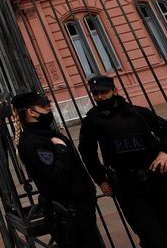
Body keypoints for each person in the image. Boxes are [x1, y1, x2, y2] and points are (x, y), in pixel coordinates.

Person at [78, 75, 167, 248]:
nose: (100, 97)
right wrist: (101, 179)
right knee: (153, 238)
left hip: (160, 180)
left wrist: (166, 153)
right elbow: (88, 154)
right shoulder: (91, 122)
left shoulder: (139, 113)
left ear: (115, 91)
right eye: (96, 93)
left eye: (104, 92)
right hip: (129, 187)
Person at [11, 90, 103, 247]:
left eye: (48, 103)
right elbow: (55, 177)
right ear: (31, 112)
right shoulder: (34, 142)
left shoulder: (44, 134)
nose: (49, 108)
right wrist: (61, 151)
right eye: (43, 105)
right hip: (69, 210)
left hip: (78, 207)